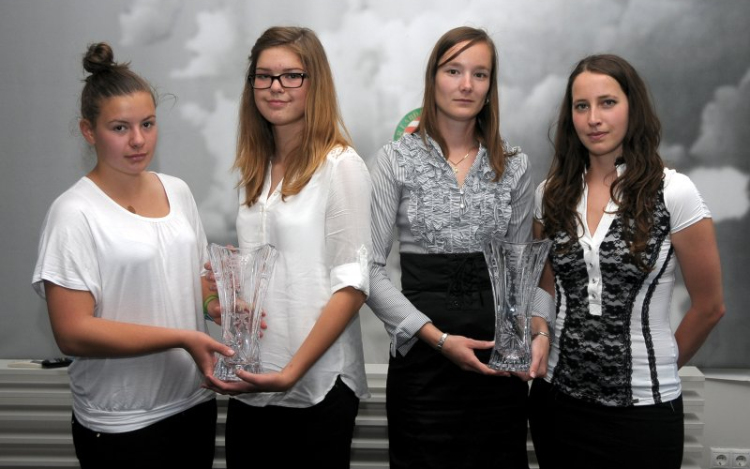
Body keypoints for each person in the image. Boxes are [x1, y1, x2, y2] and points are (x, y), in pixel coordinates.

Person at [31, 43, 234, 469]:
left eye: (147, 124)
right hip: (121, 423)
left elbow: (191, 283)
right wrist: (181, 338)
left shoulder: (176, 190)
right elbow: (72, 333)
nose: (138, 140)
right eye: (120, 128)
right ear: (89, 131)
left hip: (194, 404)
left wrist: (218, 305)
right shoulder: (74, 213)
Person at [528, 54, 725, 468]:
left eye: (608, 103)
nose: (593, 119)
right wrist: (540, 333)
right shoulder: (550, 194)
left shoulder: (674, 192)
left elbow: (710, 307)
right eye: (581, 106)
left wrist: (660, 368)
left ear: (632, 107)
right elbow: (545, 288)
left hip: (645, 416)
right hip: (556, 407)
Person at [366, 26, 550, 469]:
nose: (466, 84)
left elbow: (522, 270)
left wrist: (541, 332)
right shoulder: (395, 160)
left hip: (498, 367)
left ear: (490, 87)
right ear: (433, 78)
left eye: (479, 74)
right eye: (453, 71)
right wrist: (440, 340)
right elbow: (367, 270)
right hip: (422, 369)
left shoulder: (514, 165)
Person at [202, 27, 372, 469]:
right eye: (264, 76)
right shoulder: (255, 170)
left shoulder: (341, 166)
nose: (275, 87)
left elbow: (353, 286)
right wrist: (226, 297)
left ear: (316, 83)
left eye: (292, 75)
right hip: (252, 382)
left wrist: (292, 373)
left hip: (316, 387)